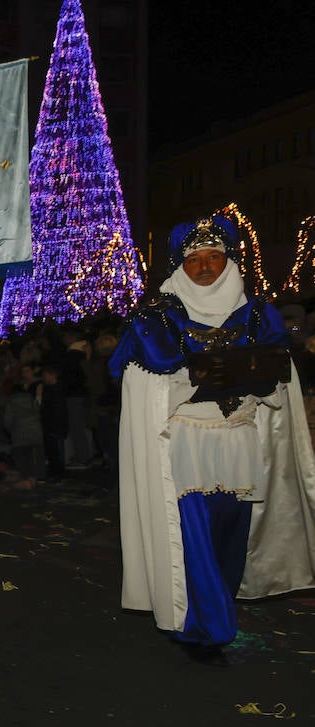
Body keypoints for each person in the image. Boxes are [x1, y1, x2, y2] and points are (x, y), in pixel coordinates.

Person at [110, 216, 315, 666]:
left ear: (230, 261)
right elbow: (143, 381)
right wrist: (203, 379)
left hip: (239, 439)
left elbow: (279, 377)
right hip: (183, 439)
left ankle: (210, 612)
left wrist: (257, 379)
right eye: (195, 259)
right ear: (180, 266)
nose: (204, 267)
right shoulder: (159, 317)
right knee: (193, 532)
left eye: (214, 258)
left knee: (229, 531)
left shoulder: (258, 314)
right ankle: (208, 627)